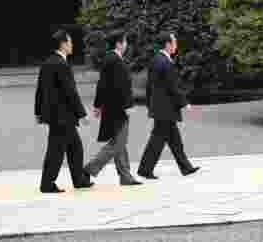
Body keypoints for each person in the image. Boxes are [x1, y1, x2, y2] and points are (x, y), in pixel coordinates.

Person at [35, 29, 94, 193]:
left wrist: (38, 112)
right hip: (62, 116)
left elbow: (39, 90)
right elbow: (70, 92)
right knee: (56, 152)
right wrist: (82, 114)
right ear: (63, 44)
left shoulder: (48, 62)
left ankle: (79, 180)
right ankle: (47, 184)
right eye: (70, 42)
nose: (72, 45)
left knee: (75, 147)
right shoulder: (61, 64)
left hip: (57, 116)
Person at [136, 32, 200, 180]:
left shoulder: (157, 60)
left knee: (173, 139)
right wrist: (184, 103)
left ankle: (186, 167)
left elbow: (150, 87)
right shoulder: (164, 61)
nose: (176, 45)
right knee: (158, 140)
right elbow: (172, 86)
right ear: (167, 44)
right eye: (174, 42)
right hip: (165, 108)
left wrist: (150, 104)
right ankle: (145, 169)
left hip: (161, 108)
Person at [82, 30, 142, 186]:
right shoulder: (114, 60)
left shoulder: (112, 59)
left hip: (112, 107)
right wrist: (128, 105)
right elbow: (120, 87)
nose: (127, 45)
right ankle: (89, 169)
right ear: (119, 43)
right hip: (117, 108)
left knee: (119, 142)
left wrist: (97, 105)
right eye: (125, 41)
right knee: (118, 143)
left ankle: (125, 176)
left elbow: (102, 85)